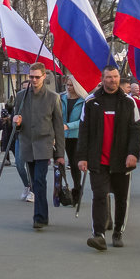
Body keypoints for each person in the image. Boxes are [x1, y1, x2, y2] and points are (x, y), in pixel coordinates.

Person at [76, 63, 140, 251]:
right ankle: (98, 235)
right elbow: (84, 130)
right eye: (108, 77)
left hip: (121, 160)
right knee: (99, 196)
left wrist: (133, 153)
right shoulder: (91, 101)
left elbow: (136, 130)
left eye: (115, 77)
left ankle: (118, 232)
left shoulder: (129, 102)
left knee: (121, 198)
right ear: (102, 79)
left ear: (119, 79)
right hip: (98, 160)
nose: (112, 80)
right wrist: (82, 157)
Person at [12, 63, 67, 231]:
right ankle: (42, 215)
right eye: (31, 77)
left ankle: (40, 217)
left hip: (44, 145)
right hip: (27, 145)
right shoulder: (21, 97)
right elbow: (16, 127)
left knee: (39, 180)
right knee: (35, 184)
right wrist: (17, 124)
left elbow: (58, 127)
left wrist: (60, 154)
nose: (34, 80)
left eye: (37, 77)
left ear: (44, 77)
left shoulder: (53, 98)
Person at [61, 76, 86, 205]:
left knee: (74, 163)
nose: (69, 88)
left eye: (72, 85)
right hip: (61, 135)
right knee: (59, 162)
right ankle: (62, 190)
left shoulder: (83, 101)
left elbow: (83, 120)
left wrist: (68, 126)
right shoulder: (61, 98)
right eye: (68, 85)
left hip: (76, 136)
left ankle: (77, 189)